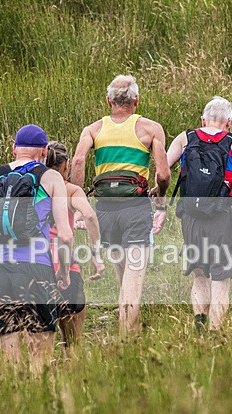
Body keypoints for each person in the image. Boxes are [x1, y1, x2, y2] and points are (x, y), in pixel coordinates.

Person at [0, 124, 73, 374]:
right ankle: (38, 408)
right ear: (44, 151)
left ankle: (13, 408)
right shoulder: (51, 178)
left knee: (9, 359)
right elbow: (64, 234)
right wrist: (63, 271)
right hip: (36, 269)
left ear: (13, 149)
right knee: (40, 357)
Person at [70, 75, 170, 336]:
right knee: (133, 285)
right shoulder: (150, 128)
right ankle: (127, 345)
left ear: (108, 101)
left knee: (123, 277)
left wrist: (78, 204)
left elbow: (79, 161)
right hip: (136, 210)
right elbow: (163, 175)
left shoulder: (93, 130)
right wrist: (160, 196)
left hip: (105, 211)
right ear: (137, 101)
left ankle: (129, 333)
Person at [158, 96, 232, 331]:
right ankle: (215, 334)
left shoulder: (185, 138)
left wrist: (159, 198)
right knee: (220, 280)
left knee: (200, 275)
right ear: (228, 122)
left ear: (202, 119)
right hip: (222, 217)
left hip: (191, 217)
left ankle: (200, 327)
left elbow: (163, 170)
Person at [44, 141, 105, 353]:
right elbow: (89, 215)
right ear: (66, 165)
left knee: (42, 343)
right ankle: (72, 378)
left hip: (36, 263)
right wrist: (96, 254)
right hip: (66, 264)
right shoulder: (71, 191)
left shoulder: (33, 188)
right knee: (72, 343)